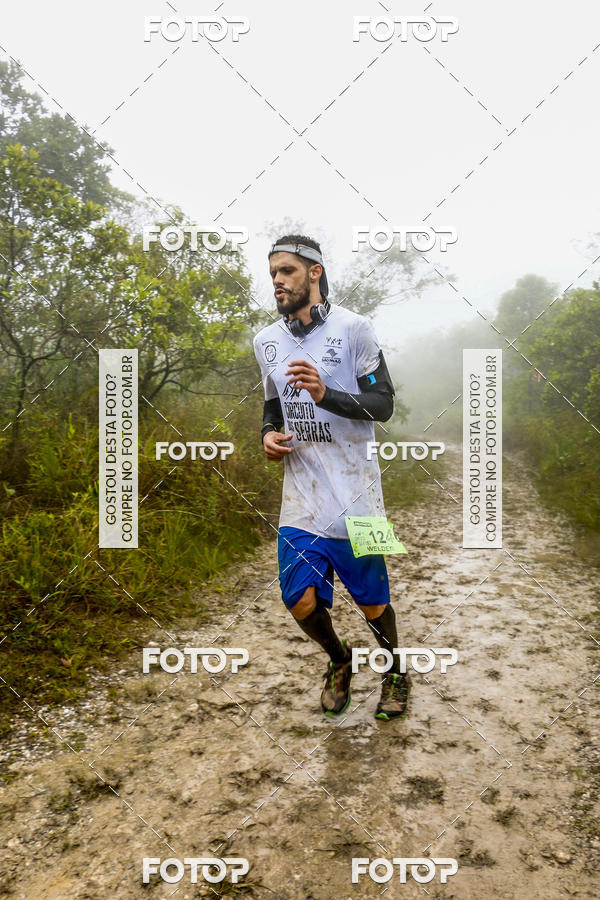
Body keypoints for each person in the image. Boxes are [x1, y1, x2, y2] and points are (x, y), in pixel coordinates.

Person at [253, 234, 410, 720]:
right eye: (273, 273)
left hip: (358, 493)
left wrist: (327, 397)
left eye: (287, 272)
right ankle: (340, 661)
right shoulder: (266, 342)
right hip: (301, 496)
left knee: (372, 602)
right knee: (297, 600)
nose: (277, 281)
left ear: (315, 273)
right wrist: (268, 435)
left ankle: (396, 672)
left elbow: (383, 404)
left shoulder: (355, 329)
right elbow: (273, 405)